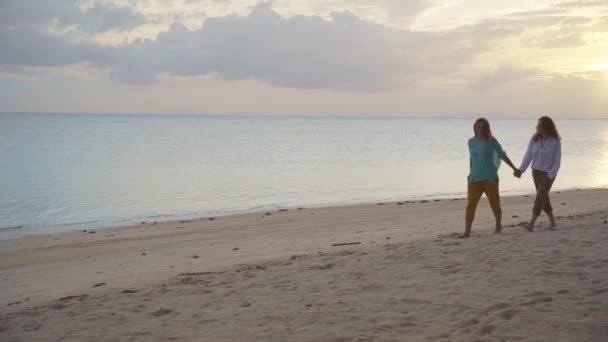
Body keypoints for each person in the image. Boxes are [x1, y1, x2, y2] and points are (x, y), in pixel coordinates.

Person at [463, 118, 519, 238]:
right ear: (474, 127)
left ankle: (498, 226)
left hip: (490, 178)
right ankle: (467, 231)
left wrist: (514, 168)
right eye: (477, 126)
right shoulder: (470, 142)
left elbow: (502, 155)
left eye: (482, 127)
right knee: (470, 205)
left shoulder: (492, 141)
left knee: (494, 204)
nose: (479, 129)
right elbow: (472, 159)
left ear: (486, 129)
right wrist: (470, 173)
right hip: (474, 179)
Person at [514, 116, 561, 231]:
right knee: (544, 199)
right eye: (537, 125)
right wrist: (521, 170)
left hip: (548, 174)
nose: (538, 127)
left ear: (547, 126)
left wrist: (551, 175)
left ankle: (531, 224)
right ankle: (553, 223)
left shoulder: (555, 141)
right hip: (536, 172)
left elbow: (557, 161)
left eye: (540, 125)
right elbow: (528, 156)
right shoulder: (534, 140)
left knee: (540, 197)